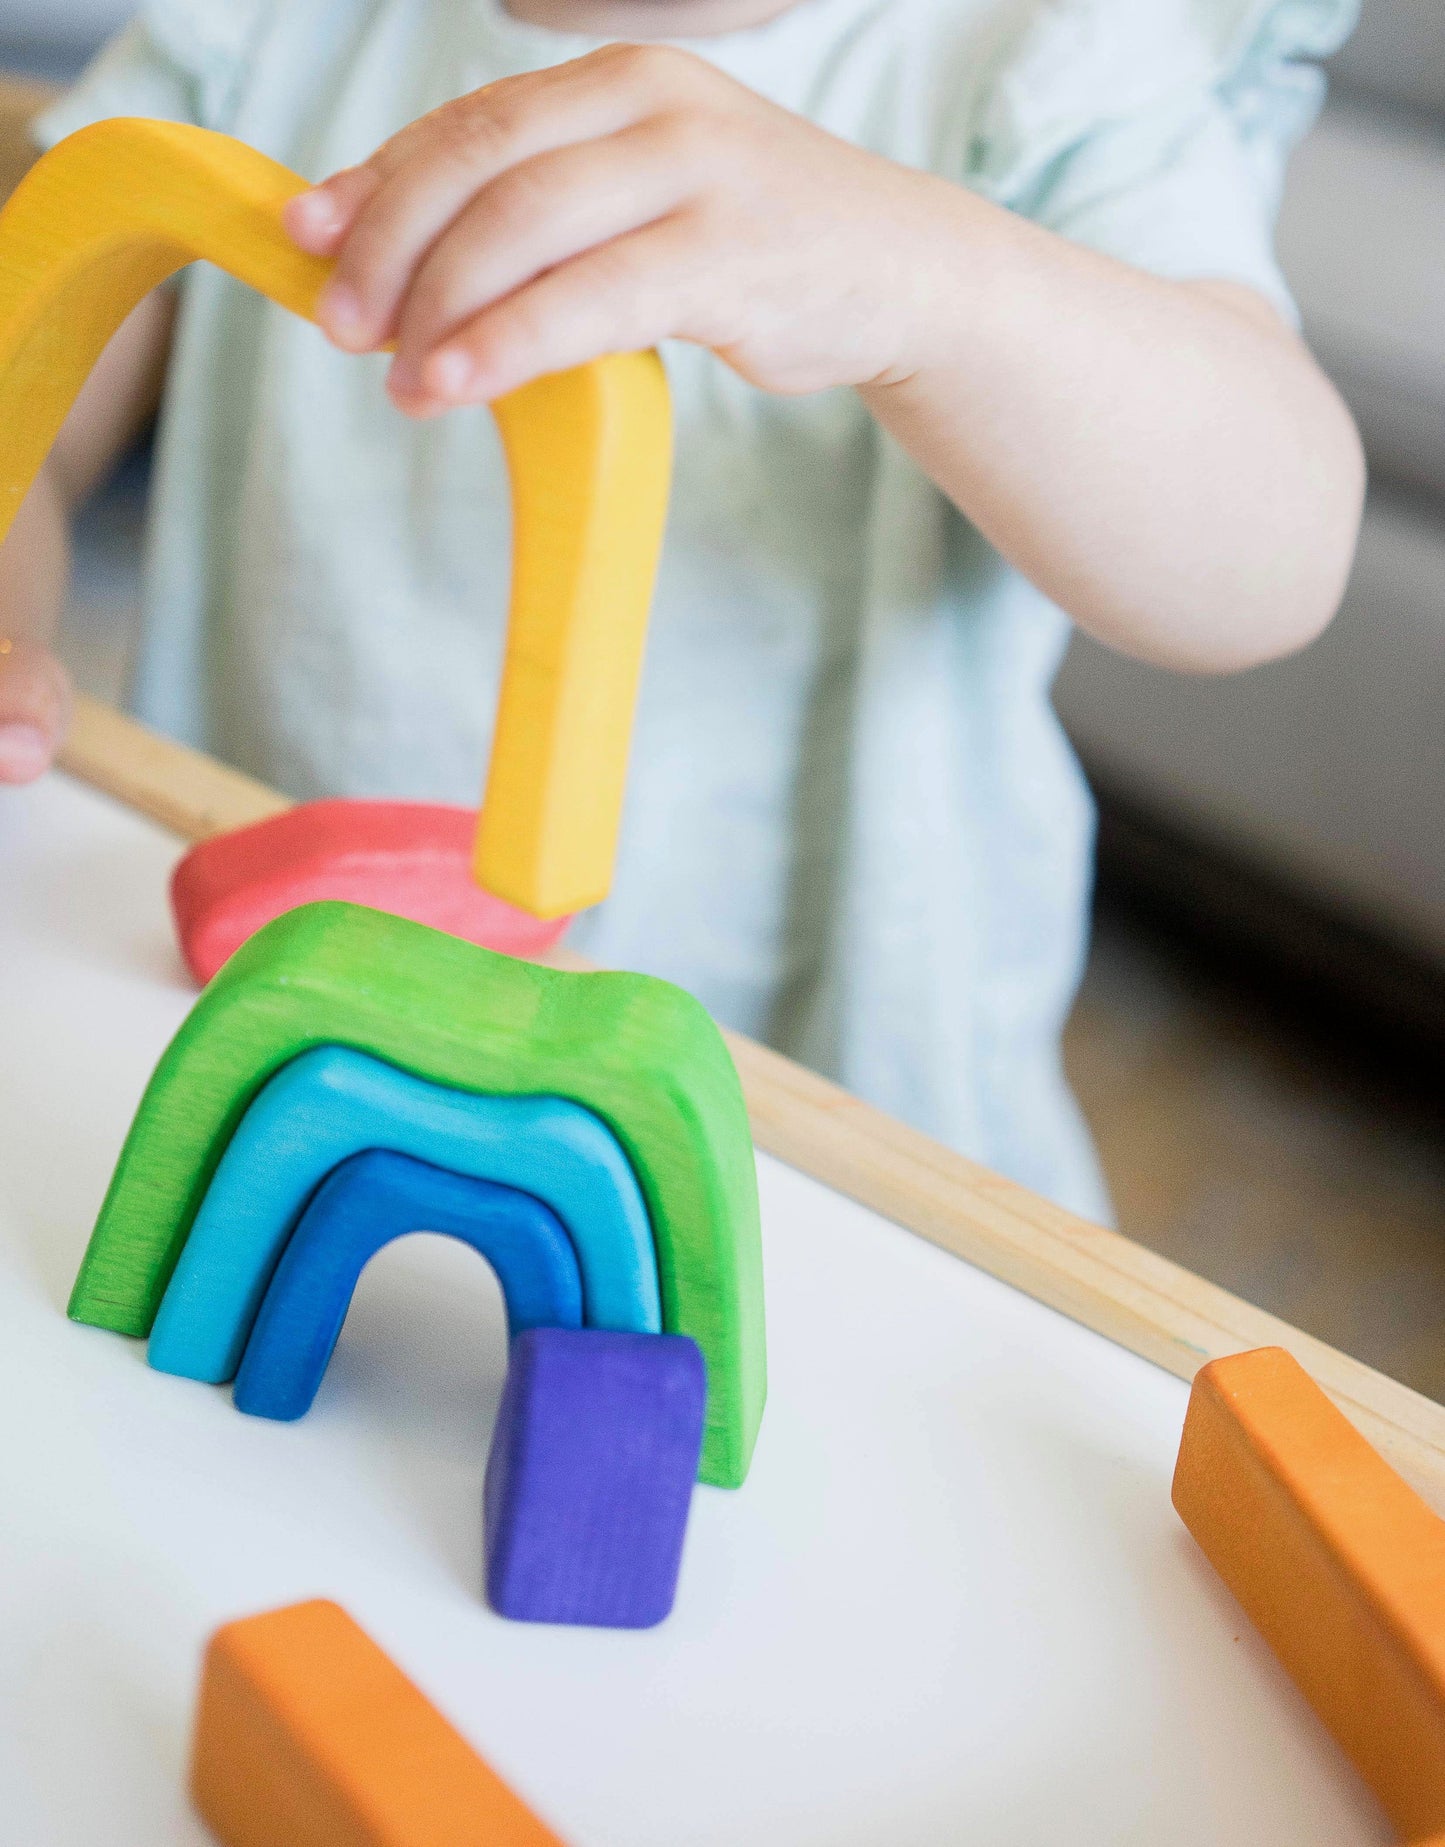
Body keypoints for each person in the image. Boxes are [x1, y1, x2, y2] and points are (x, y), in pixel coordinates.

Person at [0, 0, 1364, 1220]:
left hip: (842, 1166)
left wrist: (939, 284)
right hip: (266, 1035)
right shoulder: (256, 28)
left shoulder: (1041, 58)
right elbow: (39, 404)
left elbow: (1271, 555)